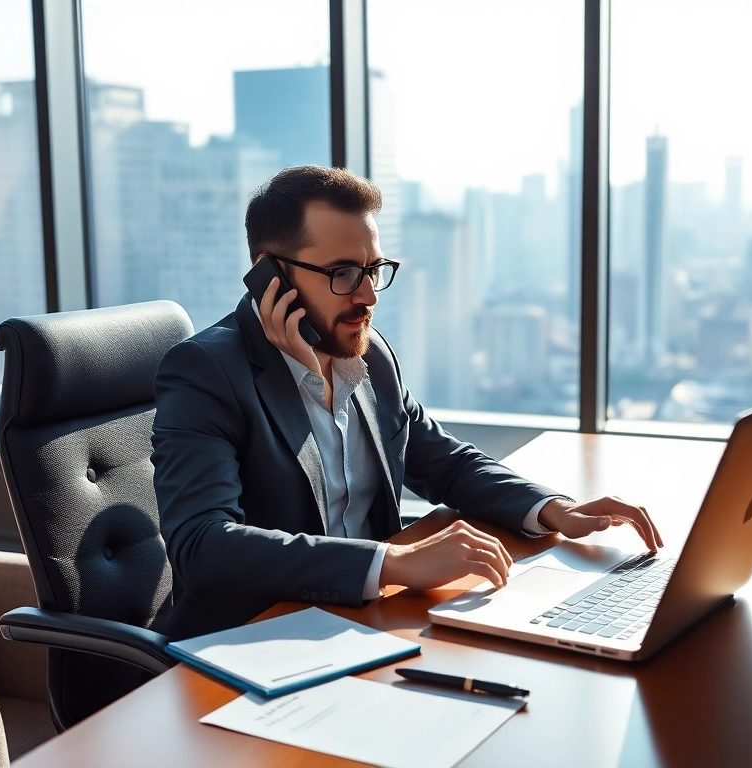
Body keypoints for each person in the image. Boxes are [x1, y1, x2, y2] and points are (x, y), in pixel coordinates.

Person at [151, 165, 662, 639]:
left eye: (373, 269)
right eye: (343, 274)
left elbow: (447, 464)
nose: (369, 296)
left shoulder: (367, 356)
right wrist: (393, 563)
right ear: (271, 274)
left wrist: (554, 509)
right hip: (249, 640)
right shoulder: (206, 371)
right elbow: (202, 544)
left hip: (361, 626)